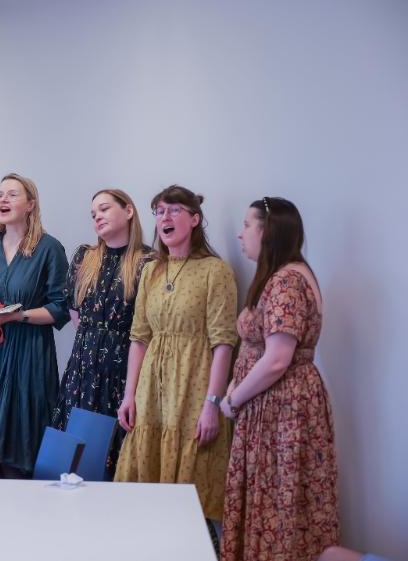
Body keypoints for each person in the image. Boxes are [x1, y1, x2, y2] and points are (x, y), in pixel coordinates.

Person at [220, 197, 338, 561]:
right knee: (276, 500)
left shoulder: (286, 281)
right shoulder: (285, 275)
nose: (240, 234)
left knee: (277, 500)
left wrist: (233, 398)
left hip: (280, 407)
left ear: (267, 230)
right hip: (273, 403)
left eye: (247, 225)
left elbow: (276, 360)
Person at [115, 185, 237, 529]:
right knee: (145, 491)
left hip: (193, 388)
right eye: (159, 211)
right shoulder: (151, 271)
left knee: (192, 490)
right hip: (152, 389)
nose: (164, 217)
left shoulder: (216, 271)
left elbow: (223, 343)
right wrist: (129, 395)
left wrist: (213, 404)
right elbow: (139, 337)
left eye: (173, 210)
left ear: (194, 219)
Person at [0, 173, 69, 477]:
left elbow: (60, 308)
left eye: (12, 194)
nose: (3, 199)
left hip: (27, 357)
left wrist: (17, 316)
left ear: (30, 204)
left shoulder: (49, 249)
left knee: (17, 455)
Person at [51, 189, 154, 476]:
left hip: (123, 374)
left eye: (105, 209)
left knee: (112, 460)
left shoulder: (148, 262)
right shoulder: (85, 257)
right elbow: (74, 313)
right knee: (72, 461)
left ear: (129, 211)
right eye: (94, 213)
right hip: (82, 372)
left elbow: (148, 328)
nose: (98, 216)